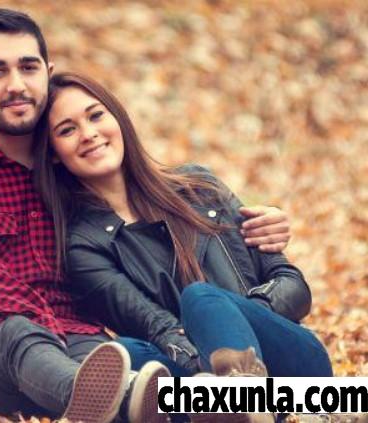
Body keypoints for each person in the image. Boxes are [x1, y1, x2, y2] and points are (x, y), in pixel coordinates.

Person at [0, 8, 293, 422]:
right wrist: (45, 325)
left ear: (46, 73)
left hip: (82, 348)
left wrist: (253, 222)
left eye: (28, 67)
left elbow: (140, 214)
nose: (16, 84)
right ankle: (121, 401)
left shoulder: (70, 160)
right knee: (23, 334)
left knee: (137, 362)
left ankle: (233, 406)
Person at [32, 72, 333, 422]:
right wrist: (208, 373)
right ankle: (230, 406)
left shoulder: (200, 187)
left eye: (96, 115)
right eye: (67, 130)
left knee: (201, 299)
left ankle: (238, 398)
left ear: (118, 119)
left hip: (295, 374)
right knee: (126, 355)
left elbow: (294, 286)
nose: (88, 133)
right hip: (194, 377)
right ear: (54, 154)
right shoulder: (84, 247)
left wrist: (236, 317)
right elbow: (157, 327)